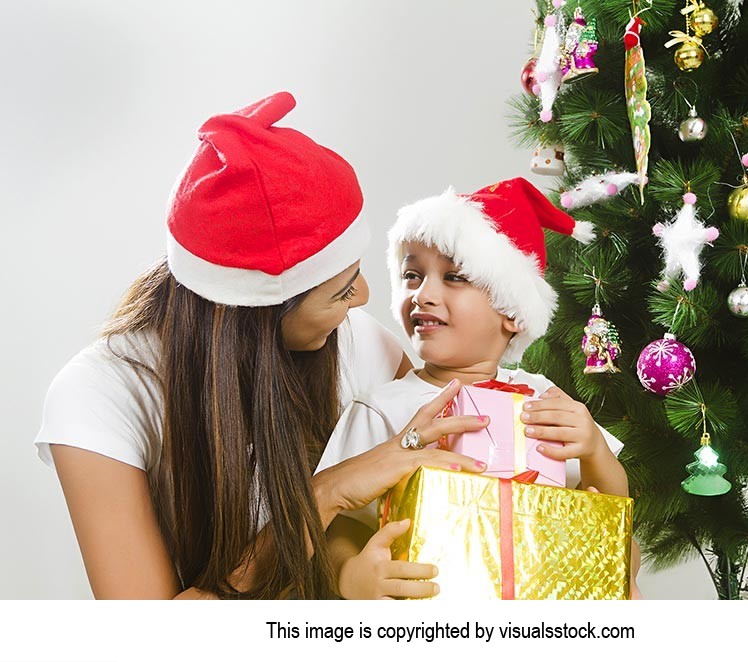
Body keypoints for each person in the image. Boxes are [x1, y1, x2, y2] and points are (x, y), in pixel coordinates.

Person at [32, 92, 490, 599]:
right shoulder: (99, 396)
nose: (363, 298)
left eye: (356, 274)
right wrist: (325, 492)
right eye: (341, 289)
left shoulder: (364, 347)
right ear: (255, 317)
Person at [317, 177, 642, 599]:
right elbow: (336, 521)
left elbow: (610, 513)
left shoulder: (542, 397)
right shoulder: (382, 407)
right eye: (412, 275)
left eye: (454, 277)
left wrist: (595, 449)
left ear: (513, 311)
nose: (422, 294)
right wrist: (349, 576)